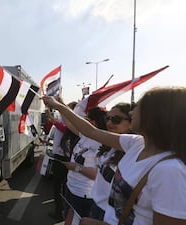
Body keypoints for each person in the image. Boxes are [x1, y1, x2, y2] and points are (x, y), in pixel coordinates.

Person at [42, 87, 186, 225]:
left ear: (155, 116)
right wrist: (59, 106)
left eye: (138, 107)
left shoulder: (170, 171)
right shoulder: (136, 143)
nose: (132, 112)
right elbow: (90, 131)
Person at [60, 106, 107, 218]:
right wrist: (59, 106)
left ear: (94, 123)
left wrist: (76, 167)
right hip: (71, 188)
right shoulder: (85, 135)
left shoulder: (102, 143)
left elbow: (98, 175)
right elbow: (68, 122)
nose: (83, 121)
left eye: (87, 119)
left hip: (84, 194)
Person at [88, 103, 133, 221]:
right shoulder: (110, 146)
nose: (109, 123)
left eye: (116, 119)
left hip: (111, 216)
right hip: (96, 204)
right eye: (107, 118)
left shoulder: (133, 151)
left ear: (131, 122)